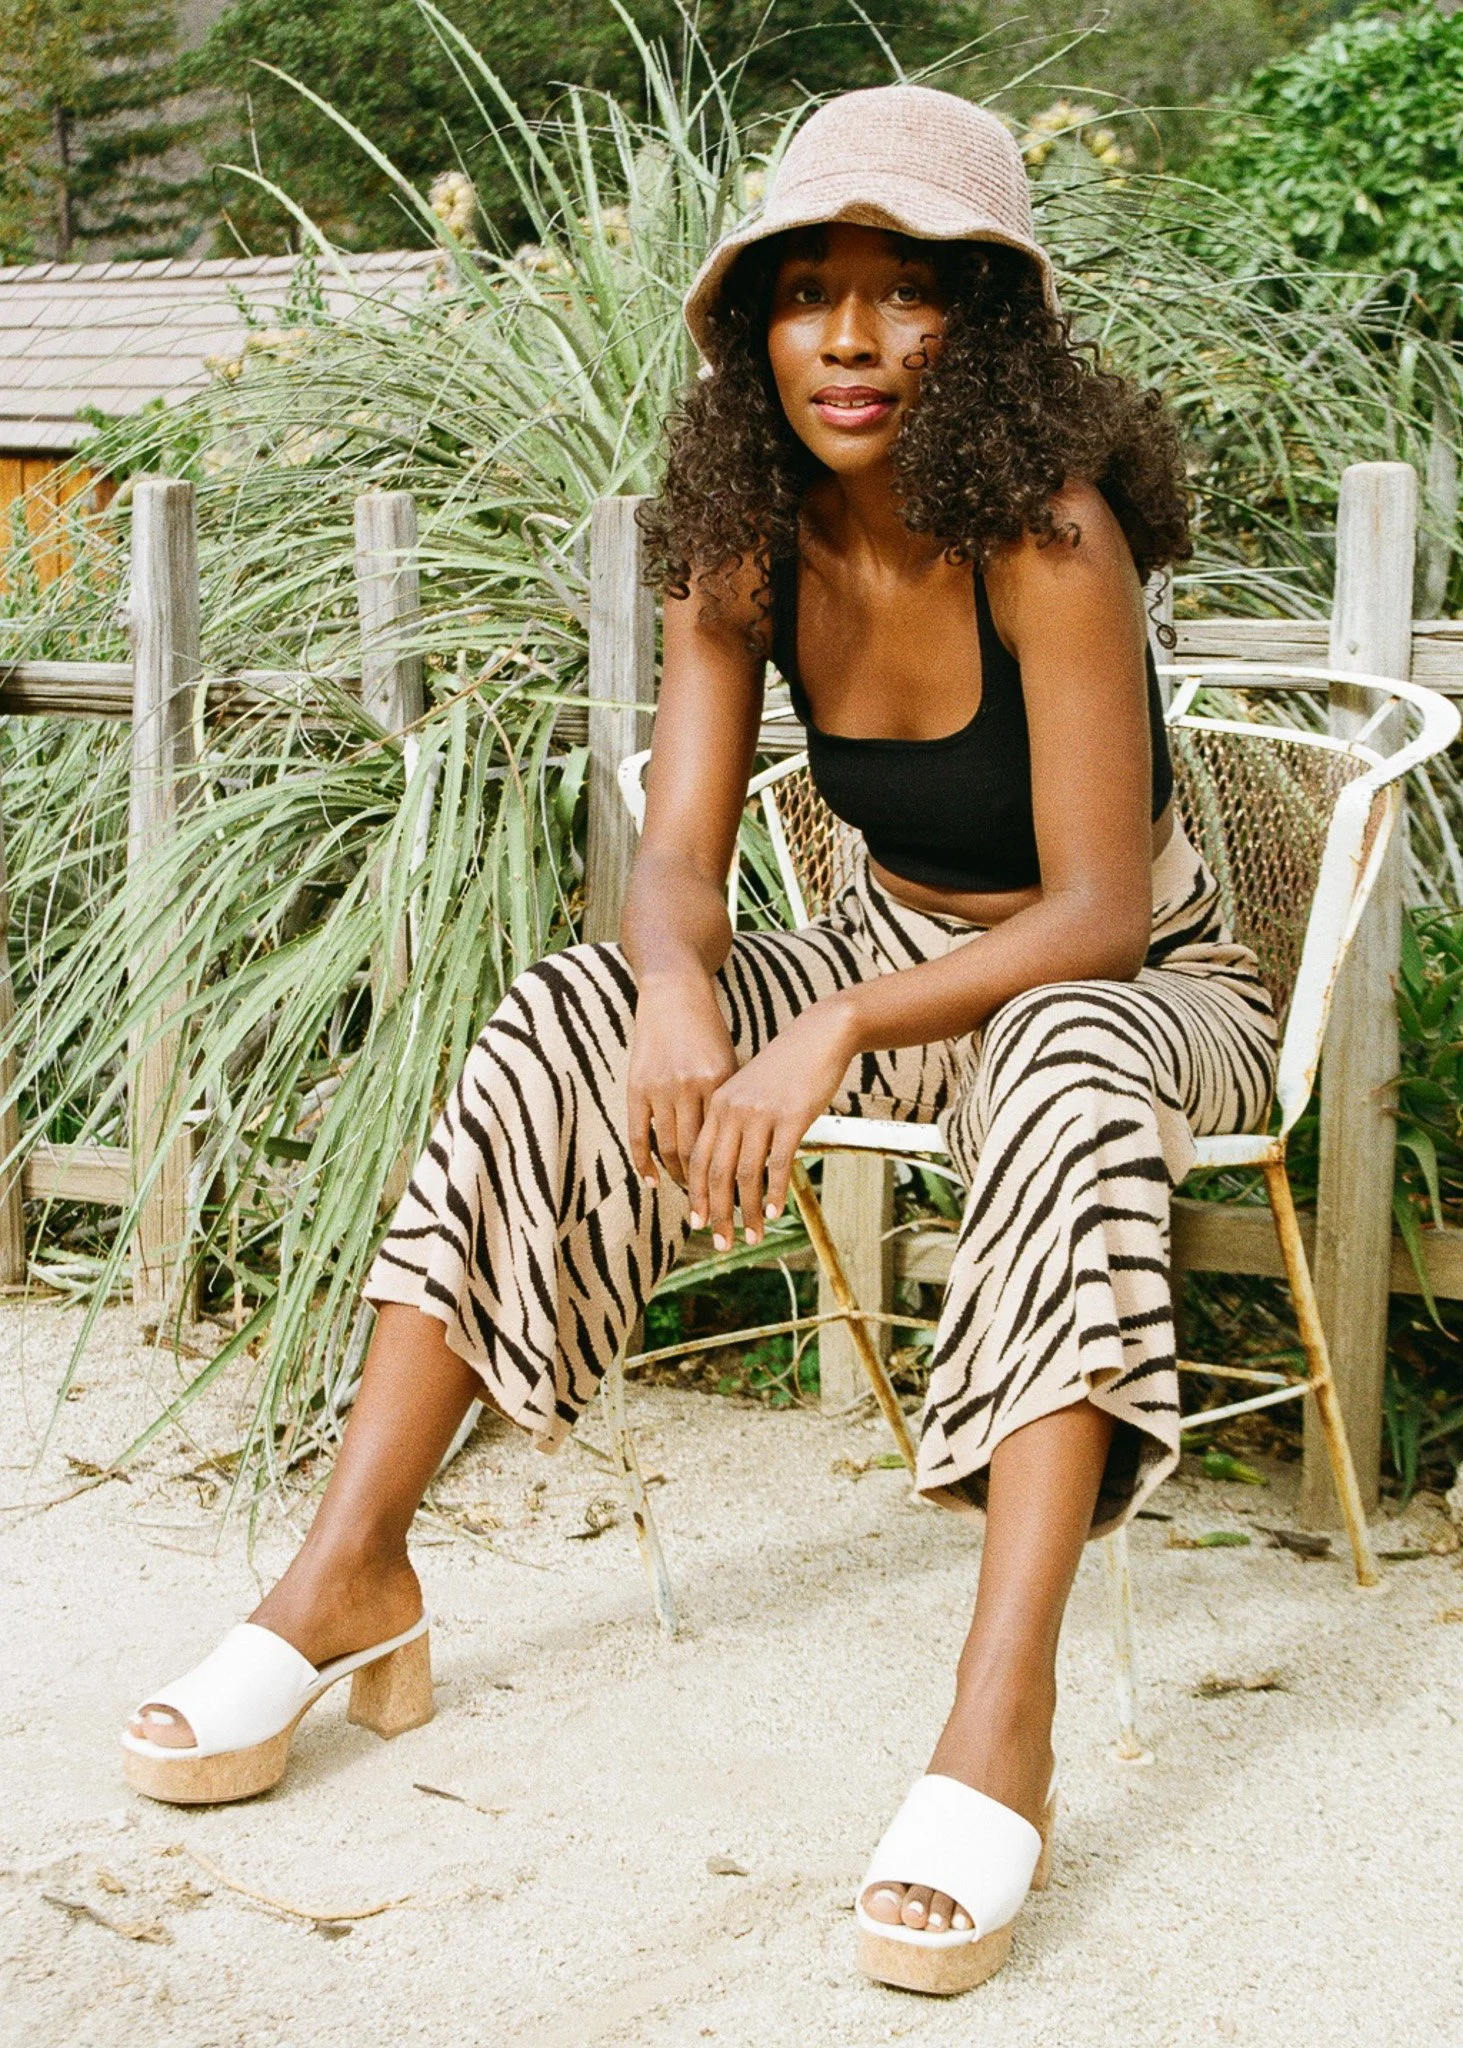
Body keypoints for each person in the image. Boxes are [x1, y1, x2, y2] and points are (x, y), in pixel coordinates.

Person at [119, 85, 1277, 1996]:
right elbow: (673, 859)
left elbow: (1087, 914)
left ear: (984, 324)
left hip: (1146, 987)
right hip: (891, 962)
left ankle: (1001, 1718)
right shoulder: (746, 542)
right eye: (805, 291)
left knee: (1066, 1063)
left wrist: (825, 1025)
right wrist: (677, 995)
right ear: (754, 326)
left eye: (906, 290)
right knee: (566, 1011)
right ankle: (349, 1573)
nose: (849, 337)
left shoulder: (1049, 535)